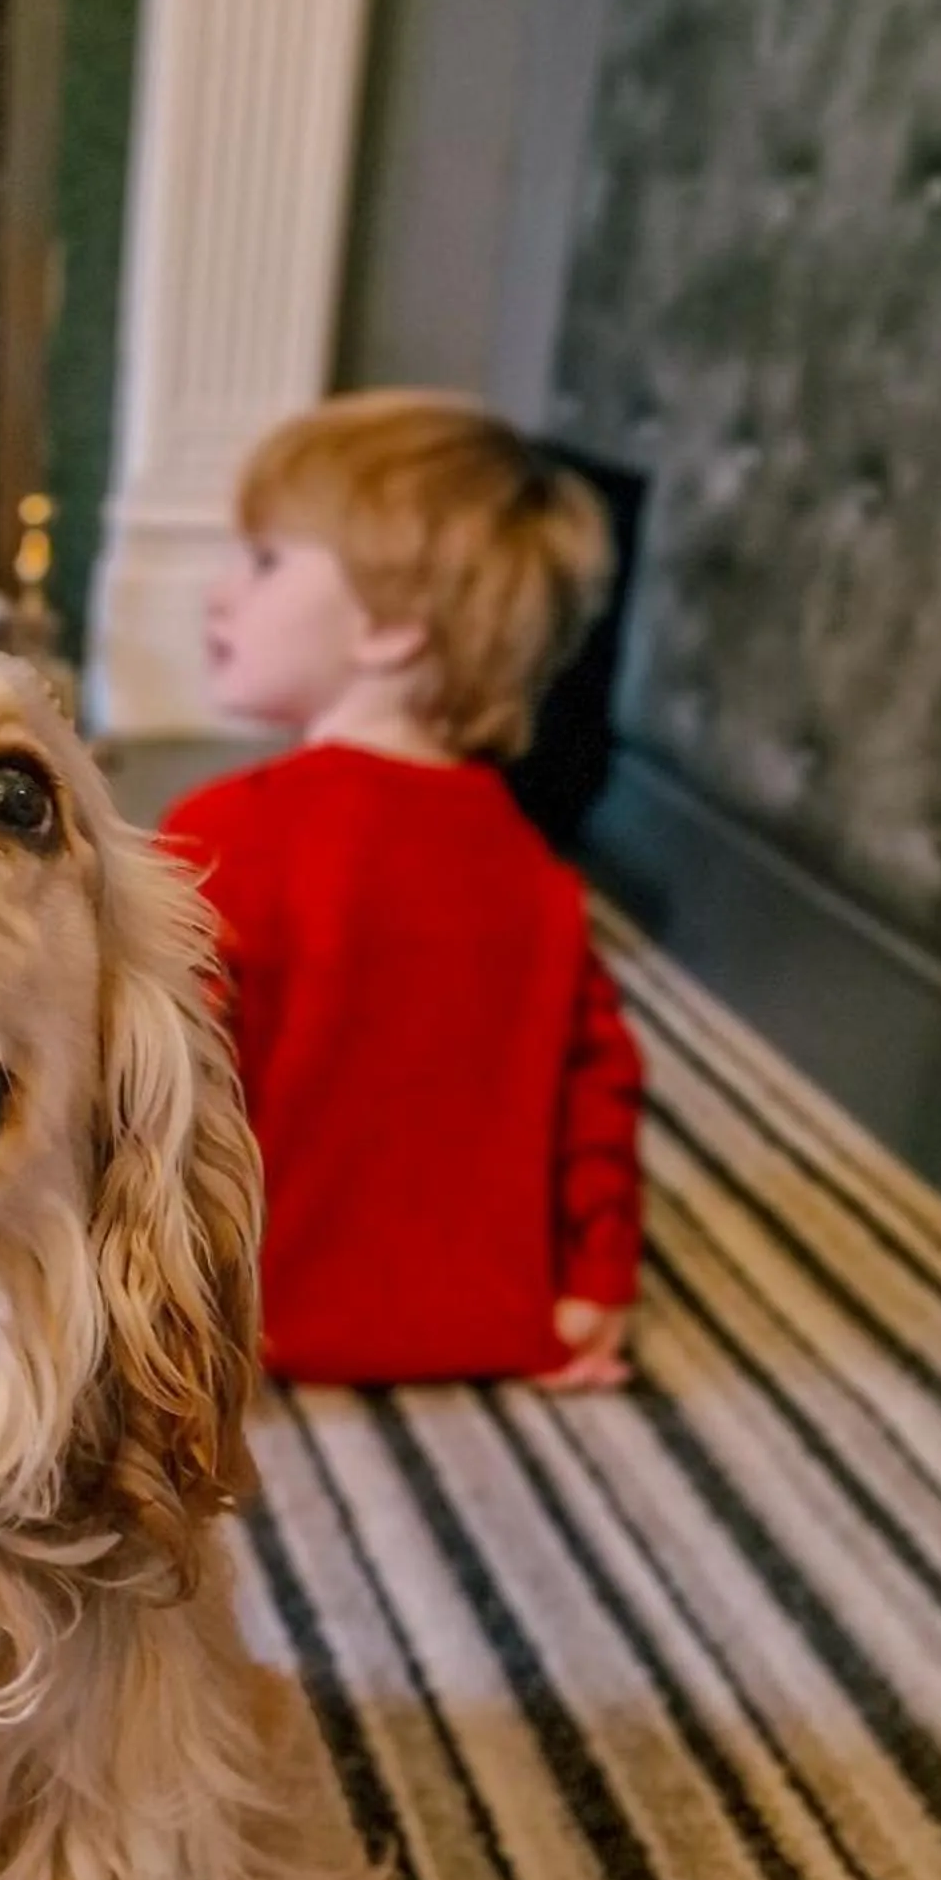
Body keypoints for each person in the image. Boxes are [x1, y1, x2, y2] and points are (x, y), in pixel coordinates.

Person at [159, 391, 642, 1391]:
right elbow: (595, 1092)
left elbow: (160, 1098)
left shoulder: (222, 834)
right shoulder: (537, 869)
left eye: (263, 562)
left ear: (391, 628)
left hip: (246, 1324)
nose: (220, 596)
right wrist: (594, 1286)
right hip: (488, 1325)